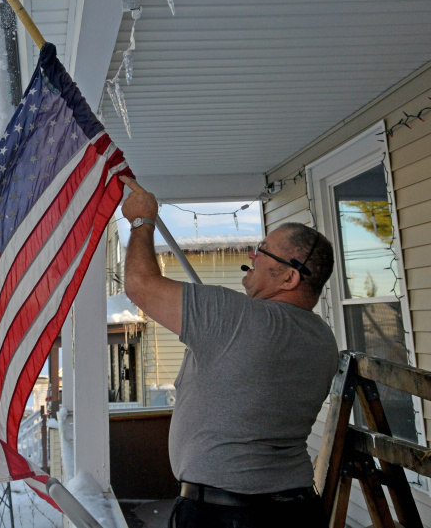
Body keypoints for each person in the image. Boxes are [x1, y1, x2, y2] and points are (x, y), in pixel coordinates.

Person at [120, 175, 339, 528]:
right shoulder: (323, 339)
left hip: (226, 516)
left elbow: (140, 285)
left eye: (263, 250)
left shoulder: (237, 317)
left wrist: (142, 220)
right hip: (297, 510)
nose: (252, 255)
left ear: (289, 278)